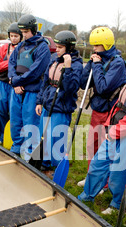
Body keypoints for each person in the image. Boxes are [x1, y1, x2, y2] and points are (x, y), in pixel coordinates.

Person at [78, 46, 126, 214]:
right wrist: (108, 126)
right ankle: (87, 195)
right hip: (113, 132)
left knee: (118, 174)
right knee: (97, 165)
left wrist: (114, 132)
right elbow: (117, 107)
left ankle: (116, 203)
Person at [77, 26, 126, 187]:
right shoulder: (97, 59)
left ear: (106, 45)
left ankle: (104, 183)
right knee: (92, 145)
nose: (94, 49)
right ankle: (91, 177)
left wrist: (97, 66)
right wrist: (90, 65)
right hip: (97, 109)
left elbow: (104, 87)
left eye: (97, 46)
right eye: (93, 45)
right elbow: (83, 84)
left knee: (105, 149)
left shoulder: (117, 63)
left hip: (110, 111)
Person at [35, 30, 83, 170]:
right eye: (56, 46)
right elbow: (45, 82)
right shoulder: (54, 60)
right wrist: (39, 101)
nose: (57, 50)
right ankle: (43, 162)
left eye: (60, 47)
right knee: (43, 135)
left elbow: (70, 88)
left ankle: (55, 167)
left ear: (69, 47)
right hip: (47, 104)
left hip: (61, 107)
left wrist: (67, 68)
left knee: (56, 140)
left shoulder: (76, 65)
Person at [8, 14, 51, 159]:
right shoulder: (21, 45)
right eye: (22, 32)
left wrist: (18, 82)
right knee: (16, 121)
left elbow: (36, 71)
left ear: (33, 29)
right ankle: (16, 148)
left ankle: (29, 154)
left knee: (30, 124)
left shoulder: (42, 47)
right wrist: (14, 80)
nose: (23, 35)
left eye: (26, 32)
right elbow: (11, 63)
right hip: (17, 91)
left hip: (31, 91)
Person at [0, 22, 22, 144]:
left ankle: (12, 137)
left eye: (16, 36)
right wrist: (10, 62)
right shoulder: (5, 48)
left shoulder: (23, 49)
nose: (13, 38)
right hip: (2, 83)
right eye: (11, 36)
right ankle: (1, 135)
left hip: (14, 84)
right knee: (1, 108)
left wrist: (11, 64)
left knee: (13, 110)